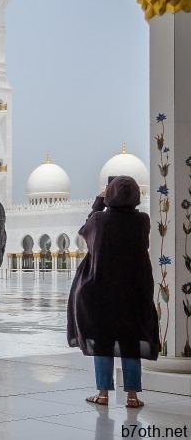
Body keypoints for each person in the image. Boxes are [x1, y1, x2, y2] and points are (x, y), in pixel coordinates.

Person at [67, 175, 159, 408]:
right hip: (133, 292)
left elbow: (84, 232)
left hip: (100, 292)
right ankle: (132, 396)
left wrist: (99, 204)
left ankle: (103, 394)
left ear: (110, 194)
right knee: (130, 343)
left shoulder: (99, 220)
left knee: (103, 341)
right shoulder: (143, 221)